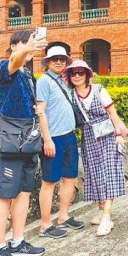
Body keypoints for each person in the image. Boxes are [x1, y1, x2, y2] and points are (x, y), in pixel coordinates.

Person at [0, 29, 49, 256]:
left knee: (24, 193)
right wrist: (26, 49)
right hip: (9, 144)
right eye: (24, 43)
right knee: (4, 196)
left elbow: (28, 104)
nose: (30, 46)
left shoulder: (28, 75)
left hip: (28, 143)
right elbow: (14, 61)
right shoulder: (5, 68)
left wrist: (38, 110)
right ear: (13, 46)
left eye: (33, 42)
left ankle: (18, 241)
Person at [64, 60, 127, 237]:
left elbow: (112, 113)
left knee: (109, 173)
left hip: (108, 135)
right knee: (94, 173)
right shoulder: (71, 96)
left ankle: (107, 217)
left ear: (87, 75)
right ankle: (101, 209)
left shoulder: (99, 90)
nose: (77, 75)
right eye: (73, 73)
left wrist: (118, 134)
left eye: (80, 72)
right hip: (89, 138)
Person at [35, 45, 84, 239]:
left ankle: (63, 216)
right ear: (47, 62)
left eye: (62, 59)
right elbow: (41, 112)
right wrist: (47, 140)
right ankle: (45, 225)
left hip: (69, 136)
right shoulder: (44, 81)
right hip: (53, 138)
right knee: (49, 181)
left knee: (69, 178)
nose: (58, 62)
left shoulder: (63, 81)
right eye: (54, 59)